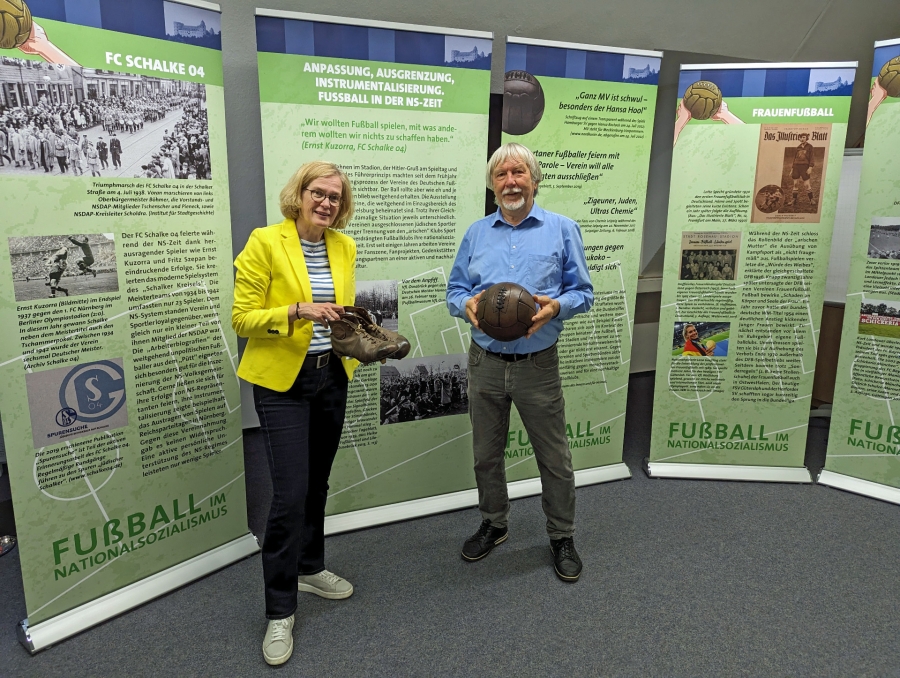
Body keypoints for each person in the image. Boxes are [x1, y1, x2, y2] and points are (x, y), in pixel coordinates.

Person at [446, 142, 594, 582]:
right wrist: (466, 307)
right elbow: (455, 290)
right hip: (484, 361)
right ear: (493, 186)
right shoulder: (476, 233)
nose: (510, 182)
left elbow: (583, 293)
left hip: (537, 364)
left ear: (534, 178)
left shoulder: (563, 229)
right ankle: (494, 523)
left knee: (554, 458)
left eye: (518, 173)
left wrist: (556, 307)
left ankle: (562, 535)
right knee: (485, 455)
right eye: (501, 176)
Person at [231, 161, 359, 666]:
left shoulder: (345, 246)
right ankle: (279, 609)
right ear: (299, 194)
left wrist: (363, 340)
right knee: (288, 495)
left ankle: (310, 567)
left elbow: (341, 314)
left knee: (318, 485)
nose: (326, 202)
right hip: (282, 383)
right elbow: (242, 318)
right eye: (318, 192)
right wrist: (296, 310)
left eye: (334, 196)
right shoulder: (265, 241)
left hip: (332, 377)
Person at [786, 133, 817, 209]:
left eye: (804, 137)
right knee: (795, 184)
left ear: (806, 138)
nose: (802, 139)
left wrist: (810, 167)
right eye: (801, 137)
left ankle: (811, 199)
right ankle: (794, 199)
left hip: (804, 167)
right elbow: (795, 159)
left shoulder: (810, 147)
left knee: (806, 184)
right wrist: (792, 169)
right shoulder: (798, 148)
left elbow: (812, 158)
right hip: (796, 167)